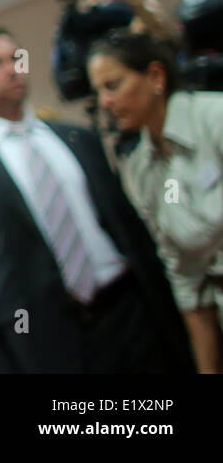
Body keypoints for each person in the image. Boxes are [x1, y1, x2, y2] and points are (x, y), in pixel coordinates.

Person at [0, 26, 194, 373]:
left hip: (131, 315)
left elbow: (131, 230)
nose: (13, 69)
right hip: (51, 341)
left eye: (16, 58)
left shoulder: (78, 137)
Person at [88, 30, 223, 373]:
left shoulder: (214, 118)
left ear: (155, 77)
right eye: (99, 91)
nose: (104, 102)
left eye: (113, 85)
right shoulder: (139, 169)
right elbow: (185, 278)